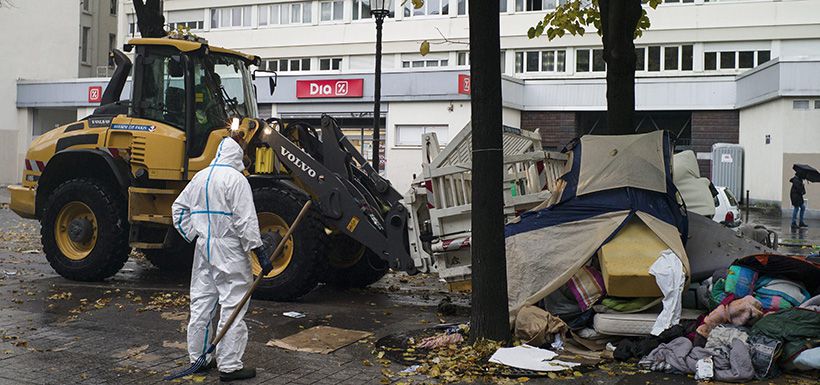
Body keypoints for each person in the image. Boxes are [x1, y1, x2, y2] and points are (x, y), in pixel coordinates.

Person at [172, 133, 273, 382]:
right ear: (238, 154)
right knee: (233, 304)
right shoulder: (236, 180)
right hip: (229, 250)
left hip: (204, 248)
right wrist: (259, 252)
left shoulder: (200, 177)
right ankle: (229, 365)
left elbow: (178, 209)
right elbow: (245, 220)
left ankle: (199, 359)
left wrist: (196, 233)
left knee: (202, 302)